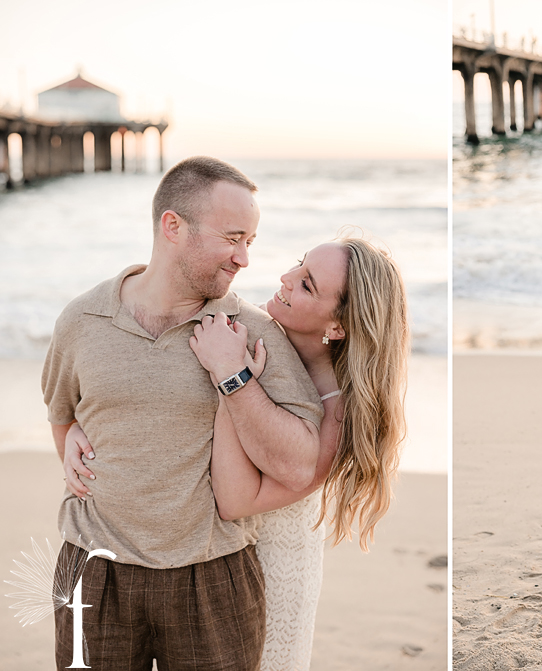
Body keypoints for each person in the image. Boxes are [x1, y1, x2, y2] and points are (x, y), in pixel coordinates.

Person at [65, 237, 410, 671]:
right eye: (298, 265)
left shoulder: (338, 413)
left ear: (338, 327)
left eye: (306, 285)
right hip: (201, 560)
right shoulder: (262, 339)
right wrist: (81, 428)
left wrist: (233, 376)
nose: (285, 279)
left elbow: (234, 500)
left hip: (265, 575)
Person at [44, 156, 324, 671]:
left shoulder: (253, 332)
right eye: (232, 237)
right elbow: (61, 412)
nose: (243, 258)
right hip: (93, 570)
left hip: (213, 578)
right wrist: (71, 443)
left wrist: (235, 379)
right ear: (173, 226)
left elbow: (303, 458)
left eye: (250, 242)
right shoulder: (82, 320)